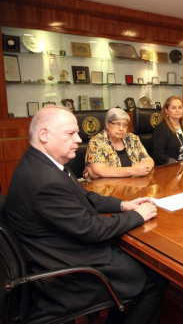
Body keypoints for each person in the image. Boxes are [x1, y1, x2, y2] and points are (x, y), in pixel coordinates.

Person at [5, 106, 168, 324]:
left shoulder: (46, 163)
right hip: (65, 269)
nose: (79, 139)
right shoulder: (45, 181)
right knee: (156, 278)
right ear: (44, 135)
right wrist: (138, 215)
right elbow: (91, 230)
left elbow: (85, 196)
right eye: (70, 133)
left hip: (59, 248)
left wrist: (123, 205)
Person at [83, 108, 154, 180]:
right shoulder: (96, 142)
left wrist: (144, 168)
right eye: (117, 124)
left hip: (133, 184)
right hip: (106, 187)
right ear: (107, 124)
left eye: (125, 125)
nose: (121, 128)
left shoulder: (132, 138)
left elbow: (149, 160)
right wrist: (133, 170)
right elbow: (99, 170)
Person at [152, 96, 183, 165]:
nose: (177, 110)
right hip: (168, 168)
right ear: (166, 110)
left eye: (180, 107)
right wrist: (175, 164)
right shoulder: (161, 128)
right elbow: (159, 154)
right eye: (174, 108)